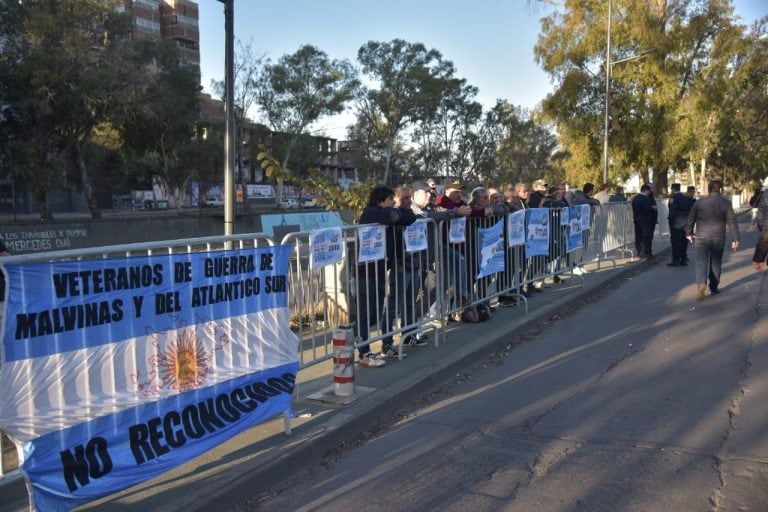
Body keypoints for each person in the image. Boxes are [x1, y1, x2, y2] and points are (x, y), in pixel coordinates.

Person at [355, 185, 416, 367]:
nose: (394, 204)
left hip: (381, 270)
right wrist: (398, 212)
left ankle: (353, 337)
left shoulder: (387, 212)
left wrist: (399, 212)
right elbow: (393, 216)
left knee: (374, 314)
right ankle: (364, 352)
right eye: (391, 200)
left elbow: (410, 218)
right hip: (366, 272)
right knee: (367, 314)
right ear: (381, 201)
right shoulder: (370, 213)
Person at [686, 179, 740, 299]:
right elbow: (732, 221)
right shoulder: (726, 203)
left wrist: (688, 233)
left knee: (701, 261)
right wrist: (735, 239)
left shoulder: (699, 203)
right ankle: (714, 287)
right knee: (715, 262)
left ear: (709, 189)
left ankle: (701, 284)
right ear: (720, 189)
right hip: (718, 236)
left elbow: (691, 218)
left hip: (701, 236)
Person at [667, 183, 694, 267]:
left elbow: (672, 212)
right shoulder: (685, 198)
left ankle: (676, 259)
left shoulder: (673, 198)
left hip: (676, 223)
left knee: (676, 242)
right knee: (684, 241)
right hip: (686, 222)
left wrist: (670, 221)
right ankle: (683, 259)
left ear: (673, 189)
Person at [631, 184, 658, 258]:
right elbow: (648, 209)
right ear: (646, 190)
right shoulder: (646, 199)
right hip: (647, 221)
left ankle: (639, 251)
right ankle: (646, 252)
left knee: (638, 236)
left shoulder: (635, 198)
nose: (650, 192)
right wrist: (653, 208)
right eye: (649, 191)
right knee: (646, 237)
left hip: (637, 220)